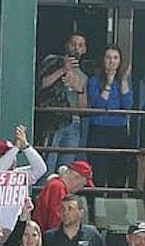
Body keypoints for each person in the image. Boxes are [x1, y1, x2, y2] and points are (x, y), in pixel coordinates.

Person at [36, 31, 89, 173]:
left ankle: (59, 194)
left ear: (84, 50)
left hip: (74, 124)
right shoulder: (52, 60)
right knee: (47, 166)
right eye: (74, 44)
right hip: (53, 120)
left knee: (65, 170)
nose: (76, 48)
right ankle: (42, 194)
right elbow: (41, 83)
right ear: (67, 45)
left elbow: (84, 109)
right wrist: (63, 70)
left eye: (80, 45)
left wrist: (80, 90)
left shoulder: (83, 75)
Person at [87, 46, 135, 188]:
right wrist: (108, 83)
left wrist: (124, 82)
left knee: (118, 174)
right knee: (98, 173)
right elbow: (99, 105)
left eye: (115, 58)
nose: (112, 61)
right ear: (103, 60)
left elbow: (128, 106)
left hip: (119, 132)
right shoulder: (94, 80)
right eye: (108, 57)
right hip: (99, 131)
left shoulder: (123, 81)